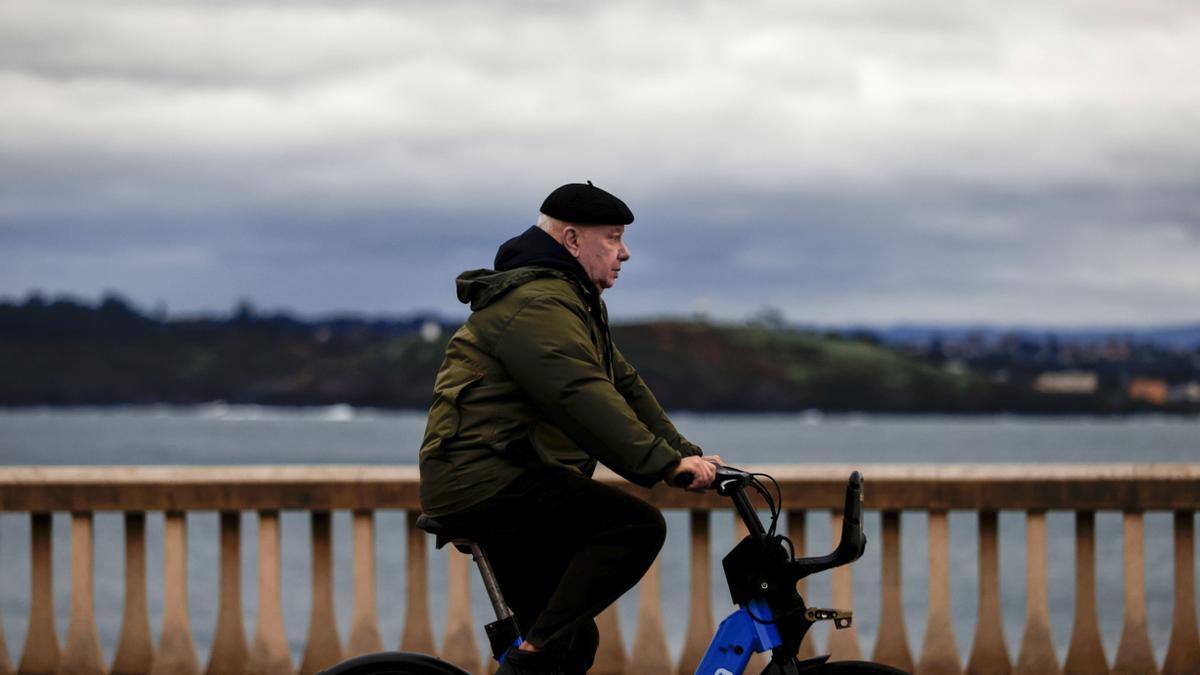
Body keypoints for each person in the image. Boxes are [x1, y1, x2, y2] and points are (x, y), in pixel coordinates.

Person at [418, 181, 719, 674]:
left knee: (571, 643)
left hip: (505, 472)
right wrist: (663, 464)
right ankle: (527, 660)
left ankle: (534, 655)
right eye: (613, 238)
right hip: (487, 478)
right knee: (635, 526)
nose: (625, 253)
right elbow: (578, 394)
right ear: (572, 240)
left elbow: (623, 384)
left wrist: (689, 453)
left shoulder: (568, 297)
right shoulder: (538, 302)